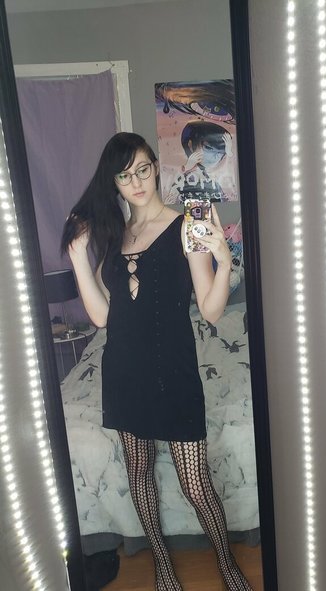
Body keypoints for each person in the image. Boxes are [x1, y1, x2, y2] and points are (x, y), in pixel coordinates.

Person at [61, 132, 253, 591]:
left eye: (143, 169)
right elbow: (103, 316)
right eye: (125, 176)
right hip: (124, 373)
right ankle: (162, 563)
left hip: (175, 373)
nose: (137, 182)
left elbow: (210, 310)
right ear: (113, 183)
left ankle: (226, 564)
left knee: (194, 482)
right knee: (139, 469)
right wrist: (78, 257)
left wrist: (224, 260)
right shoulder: (114, 236)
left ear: (155, 168)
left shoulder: (187, 225)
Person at [166, 120, 234, 203]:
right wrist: (187, 167)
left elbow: (226, 201)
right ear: (190, 145)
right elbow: (170, 199)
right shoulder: (183, 177)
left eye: (221, 152)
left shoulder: (215, 183)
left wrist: (229, 153)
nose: (215, 156)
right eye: (208, 148)